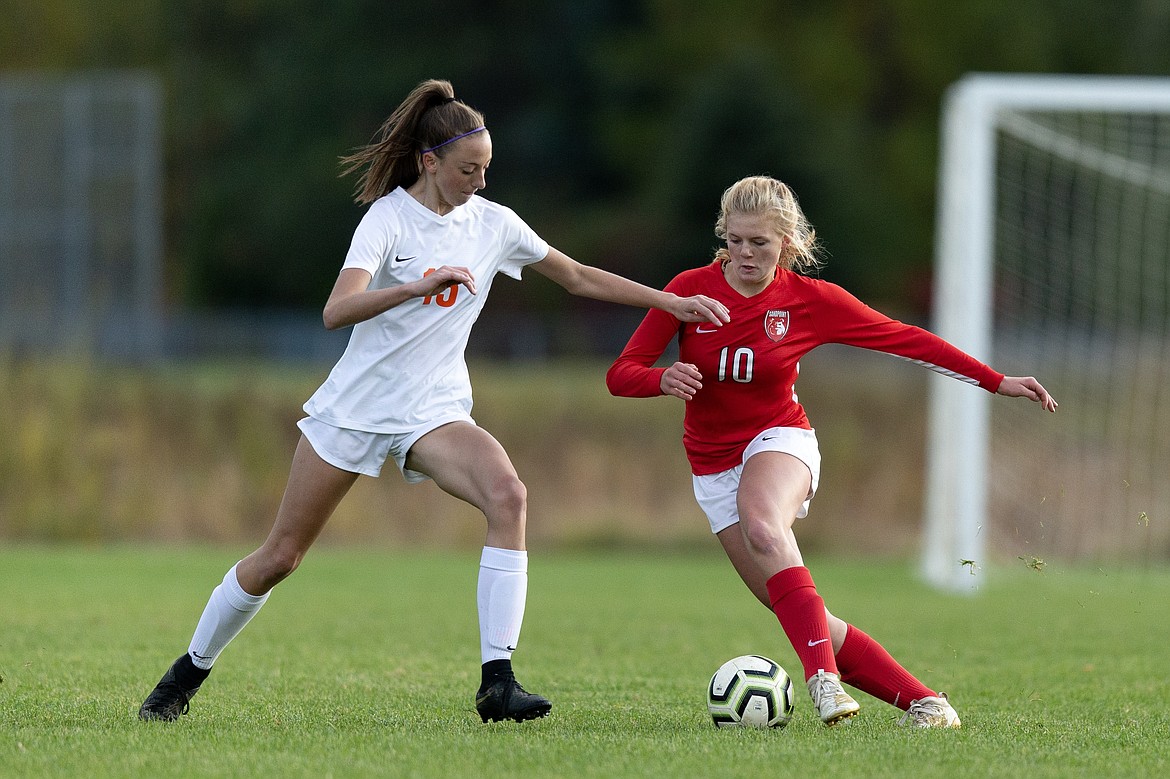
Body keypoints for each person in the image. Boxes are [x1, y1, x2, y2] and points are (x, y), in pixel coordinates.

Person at [138, 79, 730, 725]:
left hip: (435, 410)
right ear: (429, 162)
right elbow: (337, 309)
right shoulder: (387, 219)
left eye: (487, 169)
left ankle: (497, 682)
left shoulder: (494, 223)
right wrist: (420, 285)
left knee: (510, 495)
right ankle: (184, 675)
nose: (479, 181)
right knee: (281, 556)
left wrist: (669, 302)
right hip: (356, 410)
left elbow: (578, 275)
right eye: (467, 170)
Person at [606, 175, 1057, 728]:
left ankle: (822, 679)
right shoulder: (690, 291)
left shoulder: (809, 301)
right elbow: (620, 374)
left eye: (761, 244)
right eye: (737, 241)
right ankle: (927, 702)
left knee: (766, 526)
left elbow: (906, 338)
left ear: (788, 245)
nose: (746, 254)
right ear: (724, 236)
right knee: (797, 609)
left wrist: (994, 380)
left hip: (780, 440)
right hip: (712, 465)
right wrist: (662, 379)